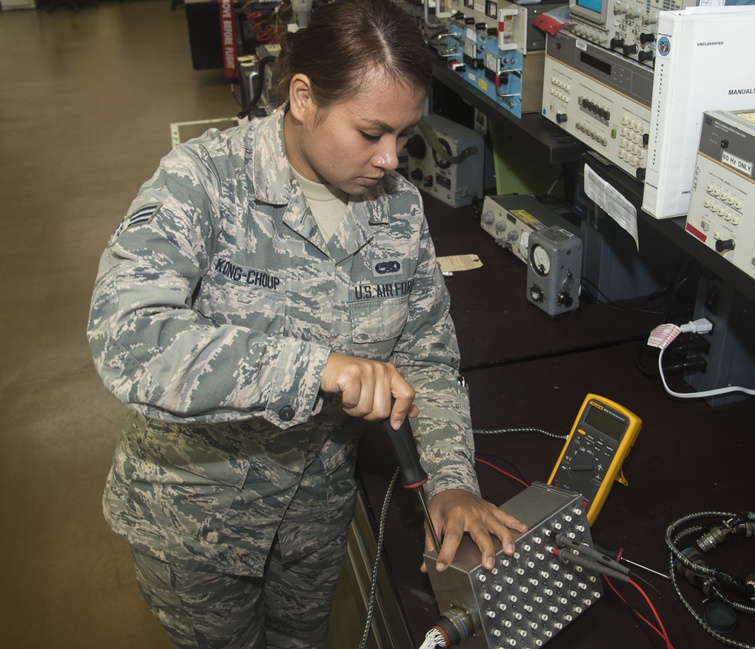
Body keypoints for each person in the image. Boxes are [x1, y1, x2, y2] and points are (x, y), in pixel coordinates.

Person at [86, 0, 526, 646]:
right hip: (194, 527)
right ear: (302, 97)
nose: (390, 160)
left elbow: (427, 356)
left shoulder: (398, 211)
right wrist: (316, 366)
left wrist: (453, 478)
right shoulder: (205, 183)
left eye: (405, 137)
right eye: (371, 132)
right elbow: (125, 335)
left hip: (314, 529)